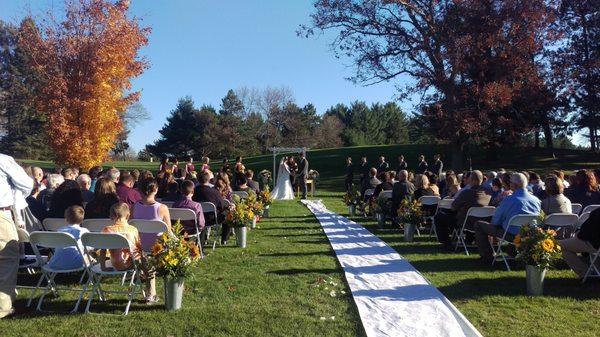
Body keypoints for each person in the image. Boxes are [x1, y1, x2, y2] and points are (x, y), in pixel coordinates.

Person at [474, 173, 541, 263]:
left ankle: (487, 257)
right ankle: (513, 251)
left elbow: (496, 221)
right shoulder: (536, 200)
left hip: (511, 235)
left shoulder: (509, 199)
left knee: (479, 225)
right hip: (530, 235)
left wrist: (497, 224)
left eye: (510, 182)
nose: (509, 184)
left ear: (514, 185)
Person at [101, 202, 157, 303]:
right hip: (130, 263)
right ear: (128, 215)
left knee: (139, 260)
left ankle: (141, 272)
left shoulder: (107, 230)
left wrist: (103, 267)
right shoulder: (133, 230)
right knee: (150, 266)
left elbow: (103, 250)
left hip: (115, 263)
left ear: (111, 216)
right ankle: (151, 294)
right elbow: (138, 249)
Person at [0, 153, 33, 318]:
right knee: (6, 259)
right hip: (1, 215)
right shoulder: (3, 160)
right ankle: (3, 307)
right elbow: (26, 183)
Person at [435, 170, 491, 249]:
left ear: (472, 180)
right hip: (483, 222)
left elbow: (453, 207)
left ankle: (446, 243)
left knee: (439, 217)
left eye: (469, 179)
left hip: (466, 222)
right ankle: (469, 239)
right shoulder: (488, 193)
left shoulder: (466, 193)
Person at [132, 178, 172, 251]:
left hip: (139, 246)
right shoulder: (162, 208)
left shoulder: (134, 207)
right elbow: (168, 230)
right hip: (158, 247)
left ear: (140, 190)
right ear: (156, 190)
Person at [559, 208, 600, 279]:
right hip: (594, 243)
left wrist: (578, 234)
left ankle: (584, 271)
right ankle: (596, 270)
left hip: (592, 243)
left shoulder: (597, 213)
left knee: (559, 245)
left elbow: (584, 235)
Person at [47, 205, 89, 270]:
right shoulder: (84, 231)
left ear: (66, 219)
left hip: (55, 263)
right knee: (89, 256)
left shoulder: (60, 230)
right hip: (77, 264)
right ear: (82, 220)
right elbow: (89, 248)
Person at [193, 171, 227, 244]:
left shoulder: (192, 192)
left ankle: (204, 239)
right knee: (227, 215)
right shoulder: (214, 192)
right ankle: (224, 239)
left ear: (198, 179)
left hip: (197, 219)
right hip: (212, 219)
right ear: (208, 180)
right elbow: (222, 206)